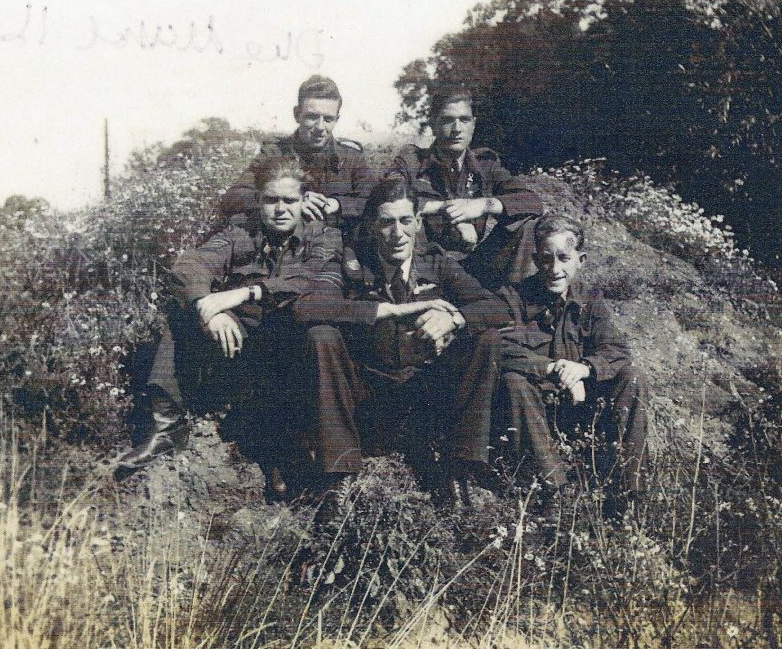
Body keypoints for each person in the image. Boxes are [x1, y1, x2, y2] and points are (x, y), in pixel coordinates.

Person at [115, 155, 343, 497]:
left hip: (289, 344)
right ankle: (166, 428)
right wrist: (210, 311)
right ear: (258, 202)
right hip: (239, 343)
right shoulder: (239, 234)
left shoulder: (323, 237)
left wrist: (245, 292)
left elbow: (309, 281)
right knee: (182, 315)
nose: (280, 209)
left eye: (289, 200)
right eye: (271, 200)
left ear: (303, 203)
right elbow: (190, 264)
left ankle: (284, 450)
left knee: (306, 341)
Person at [294, 178, 511, 513]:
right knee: (321, 335)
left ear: (418, 223)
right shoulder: (350, 265)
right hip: (367, 395)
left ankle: (457, 466)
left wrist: (455, 319)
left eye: (405, 221)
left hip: (424, 395)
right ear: (370, 226)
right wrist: (388, 310)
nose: (397, 233)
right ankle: (338, 471)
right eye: (386, 222)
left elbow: (497, 308)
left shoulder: (436, 262)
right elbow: (307, 307)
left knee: (487, 337)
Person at [494, 215, 648, 516]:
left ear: (581, 260)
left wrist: (584, 369)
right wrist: (555, 369)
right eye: (546, 259)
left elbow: (616, 350)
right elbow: (502, 348)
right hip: (536, 413)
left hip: (582, 411)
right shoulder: (513, 298)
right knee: (513, 380)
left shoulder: (591, 302)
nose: (555, 269)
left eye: (564, 258)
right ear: (536, 259)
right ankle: (555, 490)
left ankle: (626, 492)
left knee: (632, 377)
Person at [388, 83, 543, 288]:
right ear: (433, 124)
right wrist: (448, 211)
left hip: (474, 263)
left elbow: (531, 201)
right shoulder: (412, 161)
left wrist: (483, 205)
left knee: (526, 223)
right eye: (447, 120)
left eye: (464, 120)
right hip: (426, 266)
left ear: (473, 124)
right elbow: (388, 197)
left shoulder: (486, 165)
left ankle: (514, 303)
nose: (457, 129)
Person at [217, 75, 376, 236]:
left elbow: (375, 201)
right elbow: (233, 197)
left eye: (328, 119)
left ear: (336, 120)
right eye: (312, 117)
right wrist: (292, 202)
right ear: (297, 114)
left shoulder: (351, 158)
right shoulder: (273, 154)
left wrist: (337, 204)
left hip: (338, 250)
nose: (320, 127)